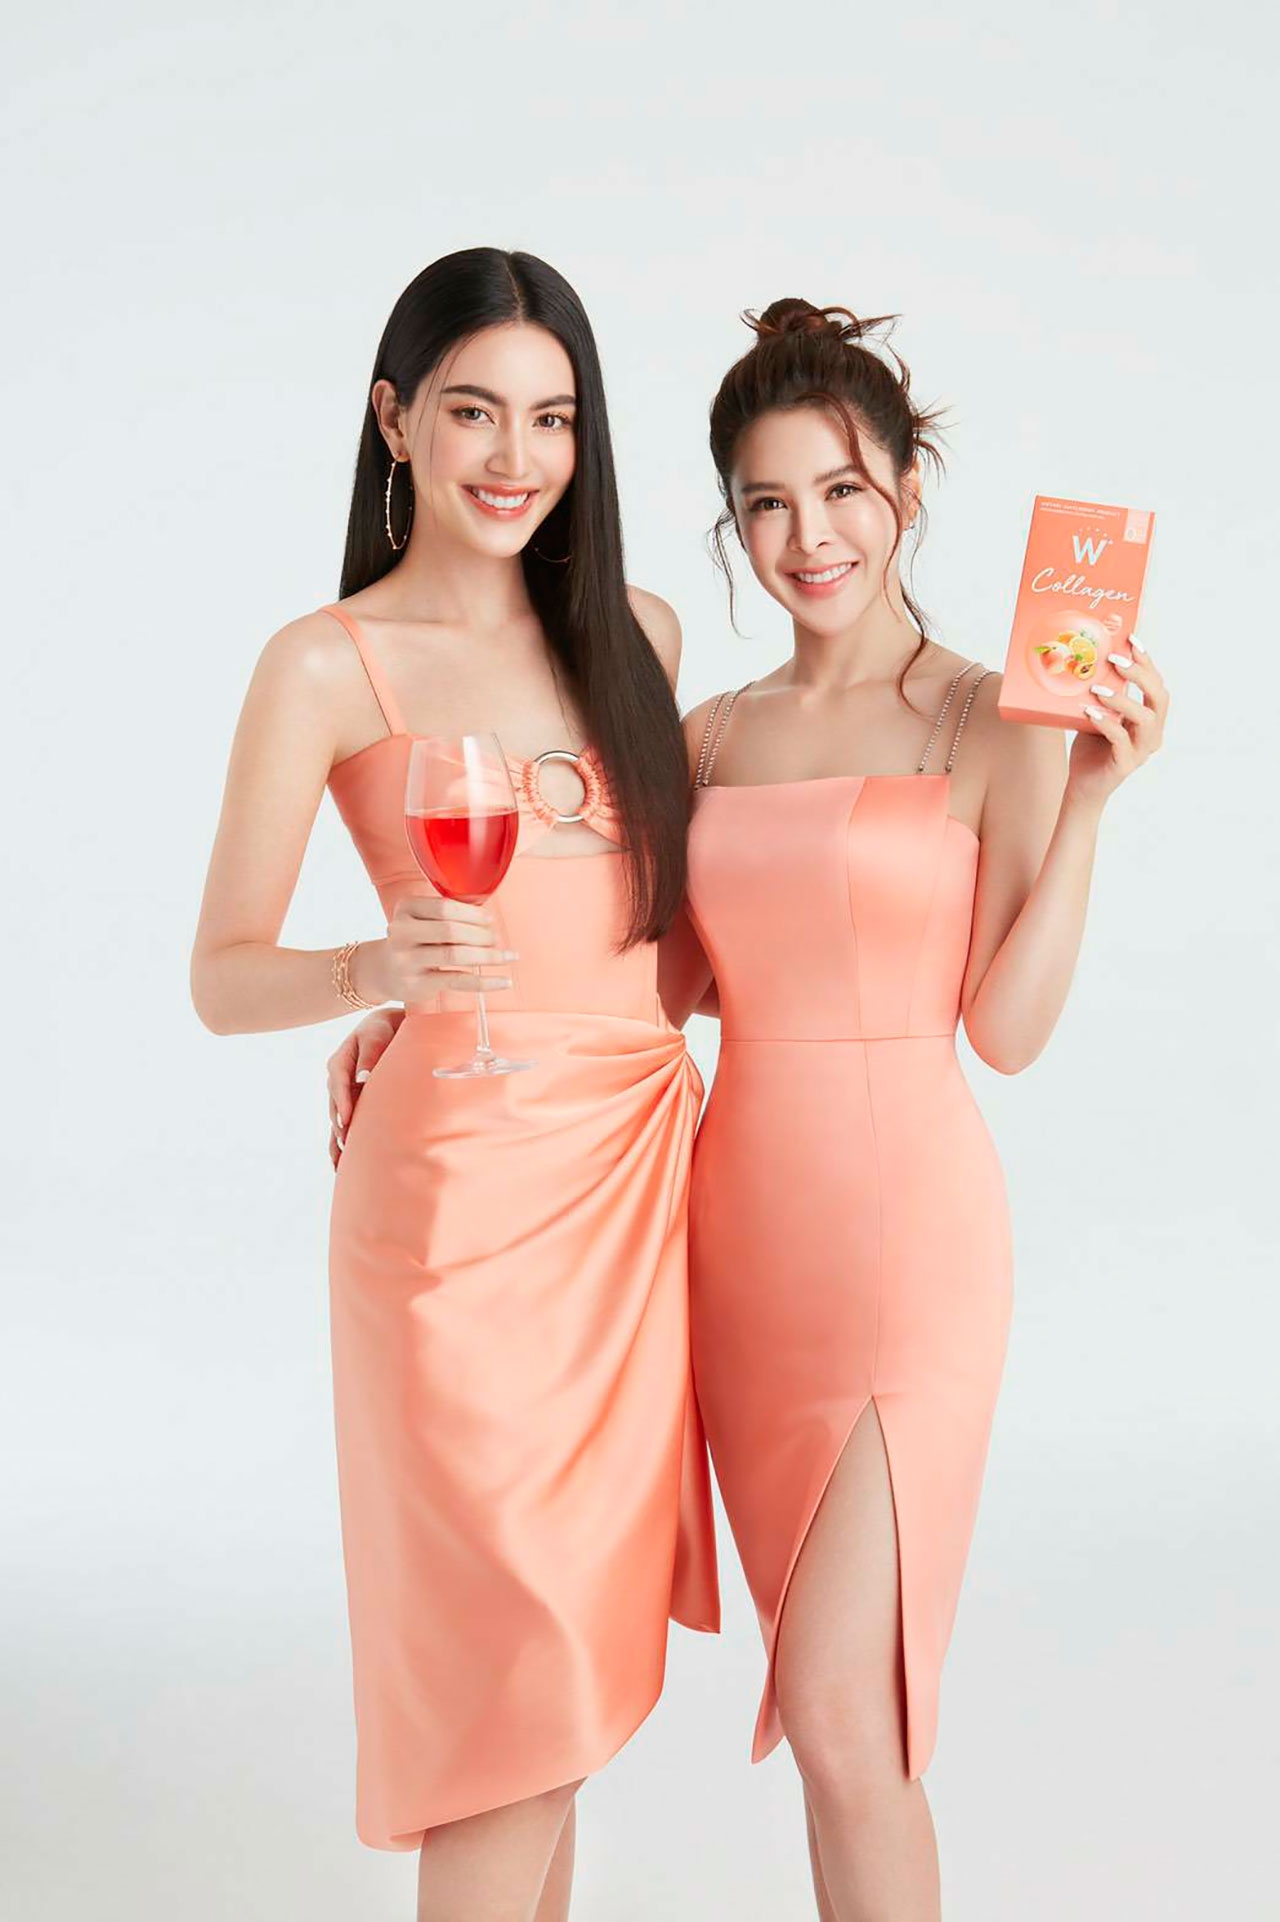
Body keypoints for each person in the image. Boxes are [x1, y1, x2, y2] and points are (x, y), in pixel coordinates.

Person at [329, 295, 1168, 1920]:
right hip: (727, 1239)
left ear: (906, 492)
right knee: (813, 1704)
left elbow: (1007, 1030)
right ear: (733, 522)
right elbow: (648, 968)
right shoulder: (705, 736)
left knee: (854, 1717)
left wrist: (1090, 809)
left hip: (908, 1242)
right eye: (768, 503)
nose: (809, 537)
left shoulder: (1001, 715)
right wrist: (409, 1004)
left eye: (843, 491)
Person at [191, 246, 718, 1922]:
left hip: (630, 1195)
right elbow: (221, 973)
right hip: (453, 1223)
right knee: (511, 1700)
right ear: (393, 419)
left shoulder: (637, 631)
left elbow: (668, 948)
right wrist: (373, 977)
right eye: (474, 410)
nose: (515, 454)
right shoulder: (326, 661)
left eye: (553, 418)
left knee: (563, 1699)